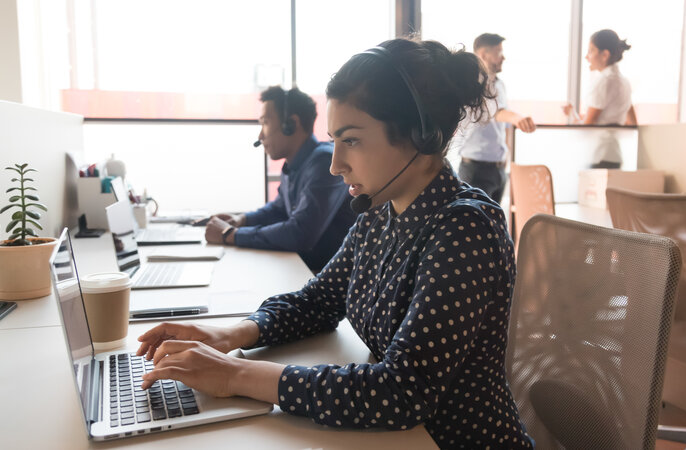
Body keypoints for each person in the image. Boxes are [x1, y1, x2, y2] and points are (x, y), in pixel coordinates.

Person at [137, 38, 534, 449]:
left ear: (420, 135)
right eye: (335, 139)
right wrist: (229, 336)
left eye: (352, 140)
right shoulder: (380, 214)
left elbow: (402, 392)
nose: (334, 163)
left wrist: (236, 375)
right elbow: (319, 301)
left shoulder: (465, 230)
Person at [205, 86, 357, 273]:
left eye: (265, 123)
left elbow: (300, 233)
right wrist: (241, 219)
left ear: (291, 124)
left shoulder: (323, 162)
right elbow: (278, 209)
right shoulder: (294, 165)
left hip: (324, 281)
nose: (260, 136)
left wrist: (230, 235)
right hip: (300, 269)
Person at [449, 33, 536, 205]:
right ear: (483, 55)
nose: (503, 57)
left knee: (493, 223)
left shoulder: (499, 84)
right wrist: (518, 118)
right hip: (476, 169)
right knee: (473, 223)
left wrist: (505, 158)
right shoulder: (476, 84)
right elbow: (496, 113)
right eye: (498, 52)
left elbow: (502, 124)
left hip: (497, 169)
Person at [562, 29, 637, 168]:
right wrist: (573, 114)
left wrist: (572, 117)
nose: (586, 57)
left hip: (599, 155)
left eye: (591, 51)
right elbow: (632, 122)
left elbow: (589, 124)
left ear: (605, 54)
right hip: (614, 154)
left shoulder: (604, 81)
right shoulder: (624, 82)